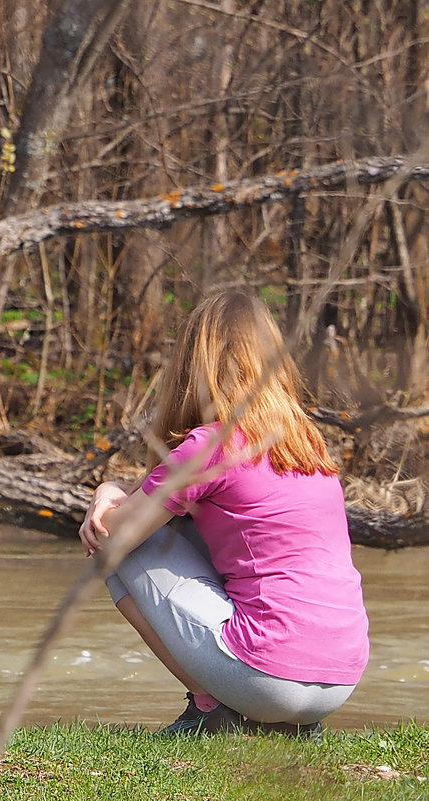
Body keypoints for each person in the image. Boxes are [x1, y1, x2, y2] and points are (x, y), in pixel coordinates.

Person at [78, 290, 369, 735]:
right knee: (177, 531)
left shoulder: (213, 444)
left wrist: (106, 489)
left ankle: (211, 709)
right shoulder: (305, 441)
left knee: (118, 549)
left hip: (270, 679)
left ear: (195, 362)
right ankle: (283, 724)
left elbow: (114, 532)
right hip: (340, 680)